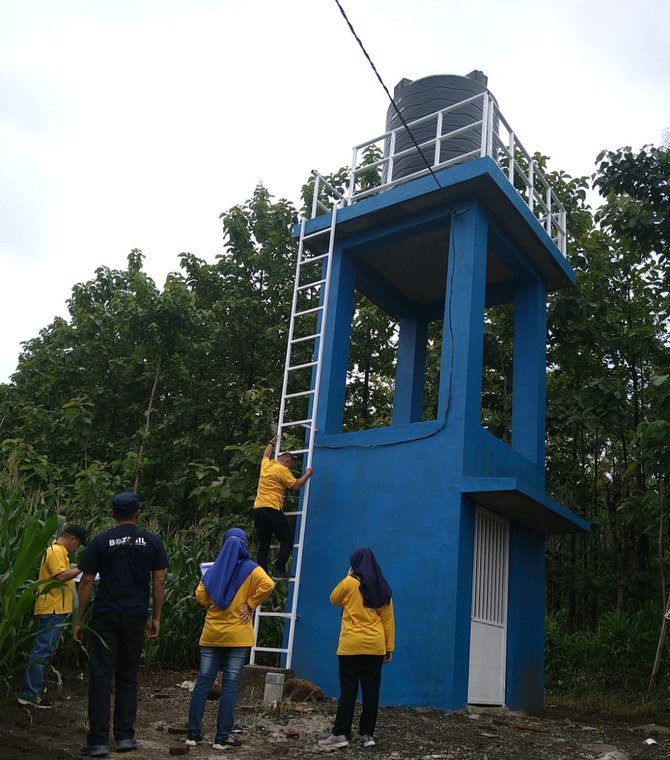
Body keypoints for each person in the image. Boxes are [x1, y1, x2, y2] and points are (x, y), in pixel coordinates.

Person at [73, 492, 168, 758]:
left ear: (112, 513)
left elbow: (87, 581)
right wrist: (156, 616)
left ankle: (98, 741)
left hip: (105, 615)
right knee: (128, 675)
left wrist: (78, 620)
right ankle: (125, 736)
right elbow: (159, 581)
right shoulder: (152, 541)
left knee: (101, 675)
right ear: (138, 513)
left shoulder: (101, 541)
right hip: (135, 616)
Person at [186, 527, 274, 750]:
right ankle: (221, 738)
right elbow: (269, 584)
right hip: (238, 635)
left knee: (204, 681)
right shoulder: (252, 569)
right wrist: (250, 604)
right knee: (230, 685)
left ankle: (193, 735)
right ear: (245, 545)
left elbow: (201, 597)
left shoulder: (213, 570)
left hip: (212, 634)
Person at [318, 547, 395, 751]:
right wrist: (389, 647)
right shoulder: (383, 588)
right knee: (371, 691)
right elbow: (388, 620)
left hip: (351, 646)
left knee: (348, 690)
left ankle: (340, 734)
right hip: (375, 646)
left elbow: (334, 599)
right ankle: (367, 735)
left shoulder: (350, 583)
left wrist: (347, 577)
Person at [17, 523, 87, 708]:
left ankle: (32, 692)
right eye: (78, 545)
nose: (76, 548)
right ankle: (29, 694)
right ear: (72, 539)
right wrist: (83, 566)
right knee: (42, 651)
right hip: (52, 609)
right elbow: (61, 576)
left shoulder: (60, 552)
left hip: (56, 609)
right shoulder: (56, 550)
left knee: (44, 650)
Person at [253, 435, 313, 579]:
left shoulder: (267, 465)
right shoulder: (282, 470)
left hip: (258, 509)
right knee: (287, 539)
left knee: (264, 543)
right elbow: (296, 485)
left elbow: (265, 455)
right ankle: (279, 569)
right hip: (271, 508)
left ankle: (261, 573)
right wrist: (308, 474)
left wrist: (270, 443)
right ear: (286, 462)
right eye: (290, 465)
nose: (289, 468)